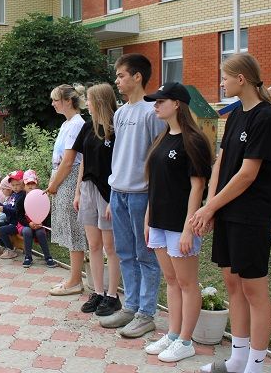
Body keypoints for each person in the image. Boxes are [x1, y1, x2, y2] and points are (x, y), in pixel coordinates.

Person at [190, 54, 271, 373]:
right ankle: (239, 359)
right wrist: (211, 204)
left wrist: (211, 205)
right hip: (228, 212)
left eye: (225, 77)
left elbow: (247, 174)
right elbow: (221, 163)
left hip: (252, 215)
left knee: (254, 288)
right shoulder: (234, 116)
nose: (221, 82)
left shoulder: (266, 117)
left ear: (241, 78)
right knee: (233, 284)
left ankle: (256, 365)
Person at [142, 82, 212, 363]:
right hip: (159, 221)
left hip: (180, 224)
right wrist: (148, 218)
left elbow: (198, 187)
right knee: (170, 281)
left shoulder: (193, 140)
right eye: (155, 101)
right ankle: (172, 335)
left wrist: (187, 228)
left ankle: (186, 341)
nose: (156, 105)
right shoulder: (162, 138)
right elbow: (155, 183)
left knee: (187, 283)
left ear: (177, 105)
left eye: (161, 100)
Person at [100, 54, 166, 338]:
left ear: (137, 77)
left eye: (121, 75)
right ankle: (131, 306)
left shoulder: (153, 112)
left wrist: (153, 199)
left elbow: (158, 157)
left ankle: (146, 314)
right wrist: (113, 192)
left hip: (142, 194)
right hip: (119, 192)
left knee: (146, 255)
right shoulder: (121, 112)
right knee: (124, 253)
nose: (117, 81)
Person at [73, 83, 122, 316]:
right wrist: (77, 191)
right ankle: (98, 292)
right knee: (94, 245)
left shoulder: (116, 129)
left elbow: (120, 164)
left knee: (110, 247)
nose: (87, 104)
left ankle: (113, 295)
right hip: (88, 189)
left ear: (100, 102)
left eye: (90, 100)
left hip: (108, 191)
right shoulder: (87, 128)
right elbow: (83, 161)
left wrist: (115, 198)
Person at [45, 84, 87, 296]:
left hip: (69, 180)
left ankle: (76, 279)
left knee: (73, 229)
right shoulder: (67, 124)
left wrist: (54, 184)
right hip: (62, 178)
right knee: (69, 228)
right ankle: (74, 276)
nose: (53, 104)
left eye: (56, 100)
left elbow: (69, 161)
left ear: (68, 101)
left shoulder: (77, 124)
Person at [20, 170, 57, 268]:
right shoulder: (21, 198)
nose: (31, 186)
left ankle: (48, 257)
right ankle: (28, 257)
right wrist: (29, 224)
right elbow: (18, 216)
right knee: (27, 232)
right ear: (24, 185)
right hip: (25, 224)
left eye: (33, 184)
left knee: (40, 233)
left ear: (37, 184)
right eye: (28, 184)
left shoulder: (41, 196)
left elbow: (46, 211)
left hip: (39, 223)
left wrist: (41, 222)